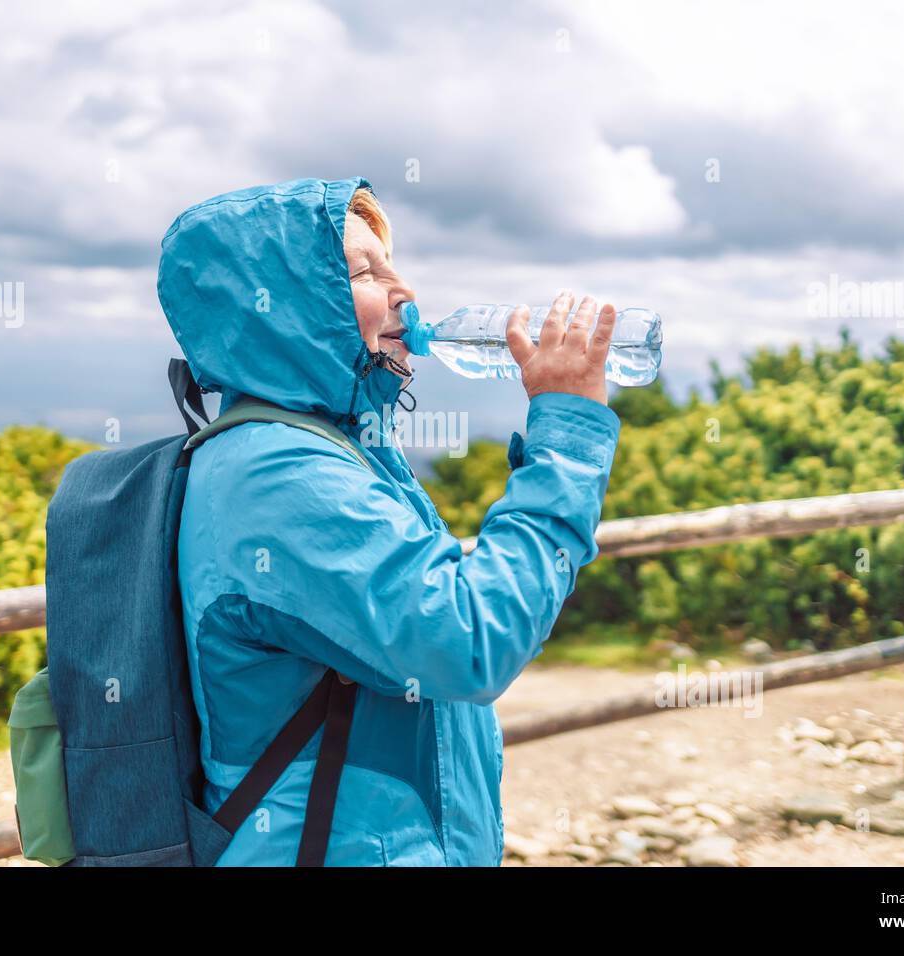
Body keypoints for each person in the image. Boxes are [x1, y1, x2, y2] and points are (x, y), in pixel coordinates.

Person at [157, 176, 621, 865]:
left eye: (392, 263)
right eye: (364, 271)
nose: (404, 290)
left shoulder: (334, 447)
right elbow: (467, 640)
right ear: (283, 307)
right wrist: (567, 433)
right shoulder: (279, 474)